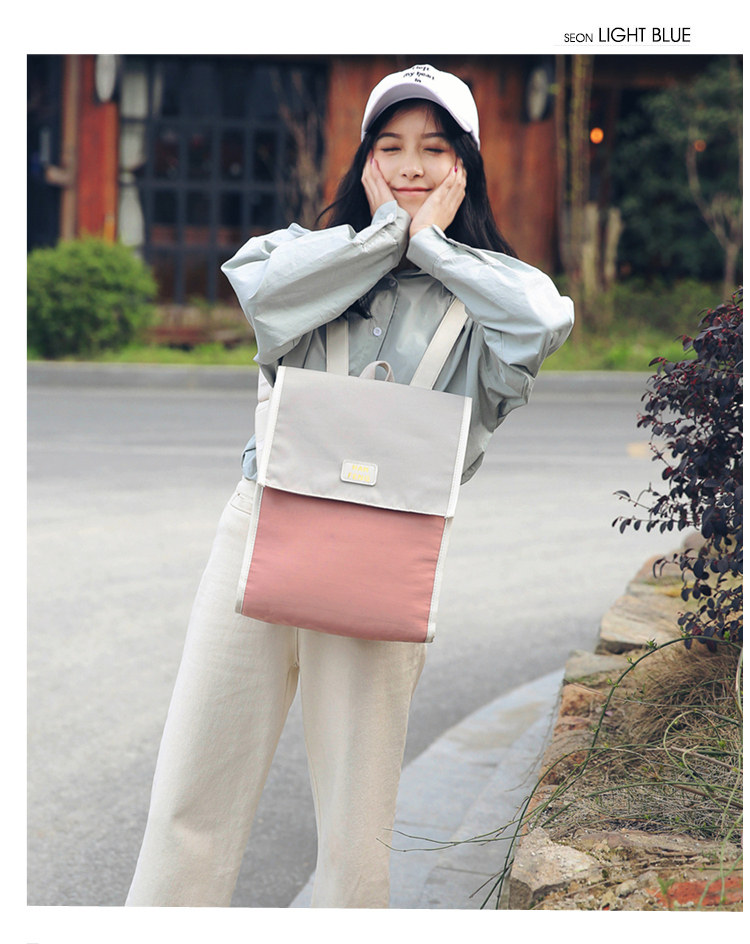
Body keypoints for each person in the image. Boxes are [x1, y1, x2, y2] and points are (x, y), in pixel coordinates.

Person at [125, 63, 574, 909]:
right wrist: (382, 238)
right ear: (366, 160)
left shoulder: (493, 295)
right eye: (390, 146)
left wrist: (431, 248)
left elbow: (544, 319)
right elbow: (262, 293)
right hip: (265, 521)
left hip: (387, 545)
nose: (410, 166)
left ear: (465, 167)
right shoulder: (311, 255)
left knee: (355, 823)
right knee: (193, 790)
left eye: (434, 148)